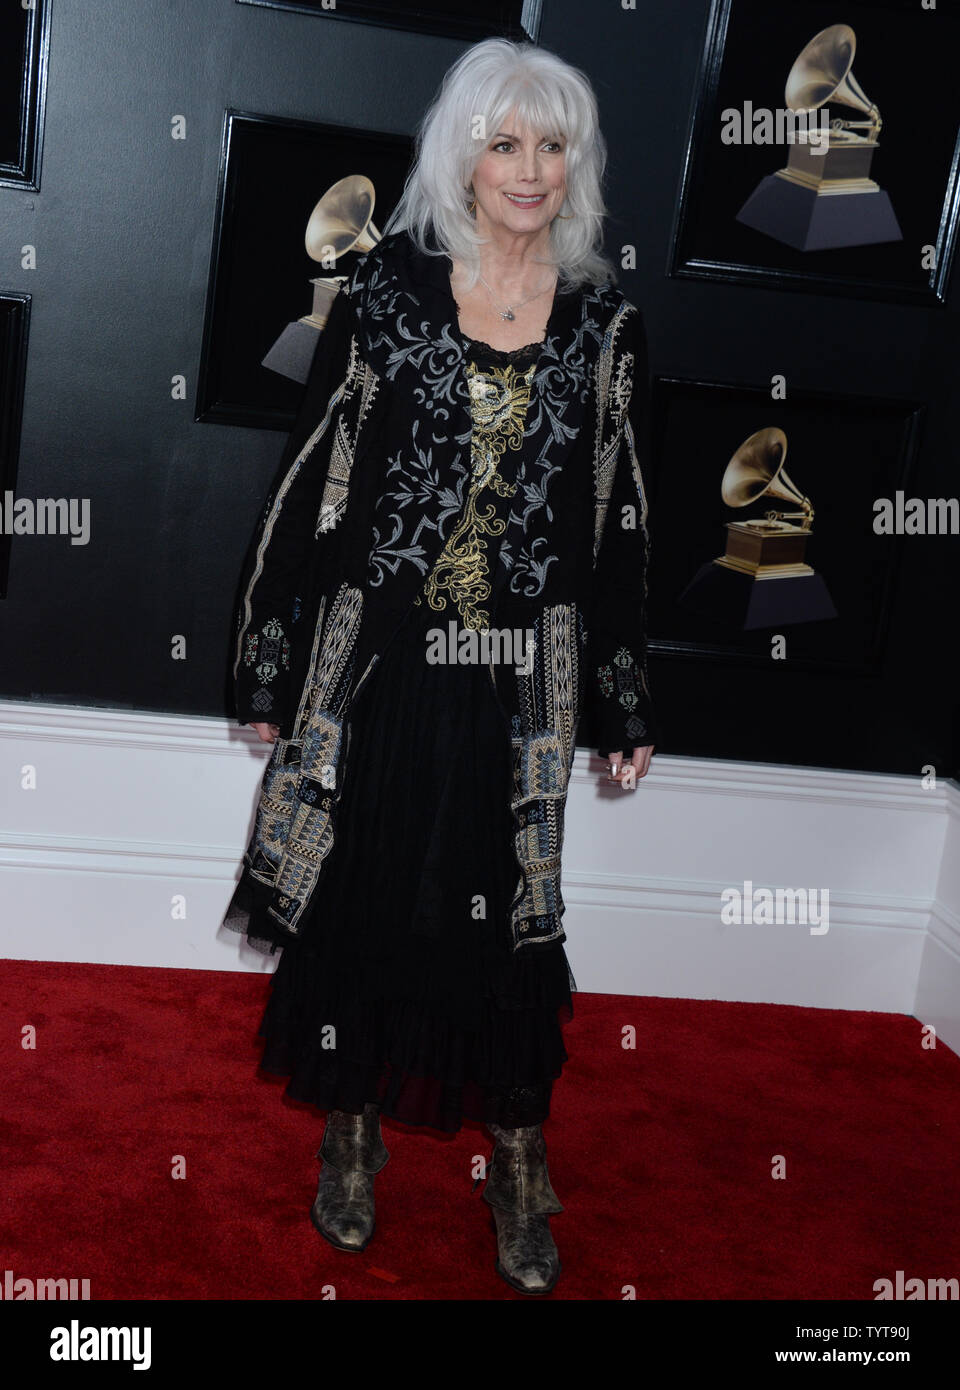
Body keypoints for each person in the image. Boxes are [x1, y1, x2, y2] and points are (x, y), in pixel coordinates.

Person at [222, 35, 660, 1297]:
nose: (528, 169)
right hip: (378, 663)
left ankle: (518, 1152)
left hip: (525, 670)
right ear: (460, 156)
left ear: (575, 163)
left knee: (508, 910)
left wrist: (626, 694)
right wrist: (265, 663)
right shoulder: (388, 296)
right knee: (361, 891)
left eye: (550, 143)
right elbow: (309, 486)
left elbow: (623, 515)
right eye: (502, 141)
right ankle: (349, 1126)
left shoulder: (607, 323)